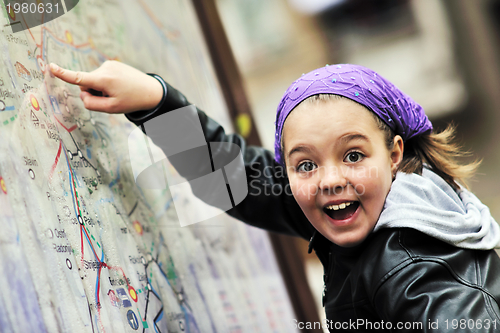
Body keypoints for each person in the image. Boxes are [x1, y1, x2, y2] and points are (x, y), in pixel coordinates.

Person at [50, 61, 500, 332]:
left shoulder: (413, 265)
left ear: (394, 154)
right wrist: (156, 99)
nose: (329, 180)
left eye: (353, 154)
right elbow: (237, 178)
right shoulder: (363, 203)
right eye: (305, 164)